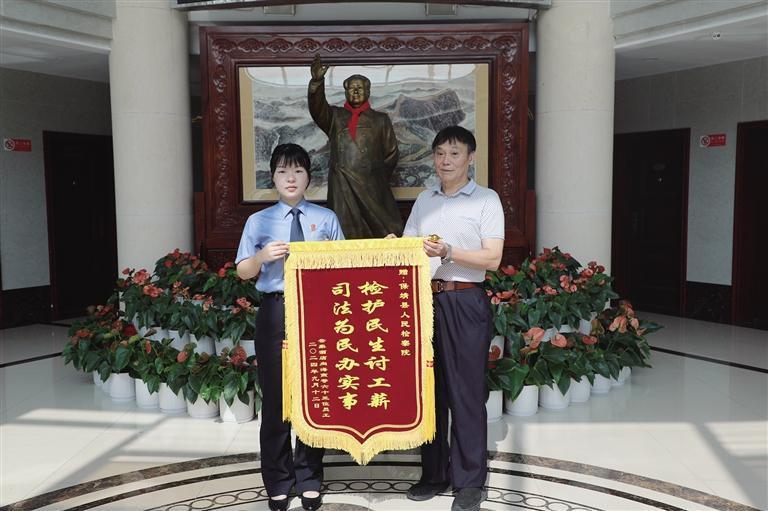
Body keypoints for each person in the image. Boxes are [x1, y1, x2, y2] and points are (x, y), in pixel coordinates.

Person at [401, 126, 504, 511]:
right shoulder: (424, 200)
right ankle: (434, 473)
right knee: (429, 393)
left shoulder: (486, 200)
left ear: (470, 158)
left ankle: (469, 481)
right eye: (440, 153)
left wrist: (448, 252)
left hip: (465, 300)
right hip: (425, 302)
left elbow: (492, 258)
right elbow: (411, 247)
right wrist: (398, 246)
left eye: (455, 153)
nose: (446, 160)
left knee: (465, 393)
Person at [236, 143, 344, 511]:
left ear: (309, 177)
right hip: (276, 311)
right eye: (283, 171)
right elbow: (243, 271)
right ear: (273, 178)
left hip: (317, 312)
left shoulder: (326, 219)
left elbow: (345, 265)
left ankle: (309, 476)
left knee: (315, 394)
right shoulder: (259, 221)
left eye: (298, 171)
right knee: (276, 399)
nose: (291, 178)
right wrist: (261, 256)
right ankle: (278, 480)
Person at [308, 54, 403, 239]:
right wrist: (317, 82)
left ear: (368, 91)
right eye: (352, 88)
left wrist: (373, 176)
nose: (356, 91)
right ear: (345, 92)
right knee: (345, 234)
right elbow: (317, 109)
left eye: (360, 88)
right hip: (342, 186)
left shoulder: (381, 120)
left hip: (372, 188)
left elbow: (391, 154)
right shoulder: (335, 116)